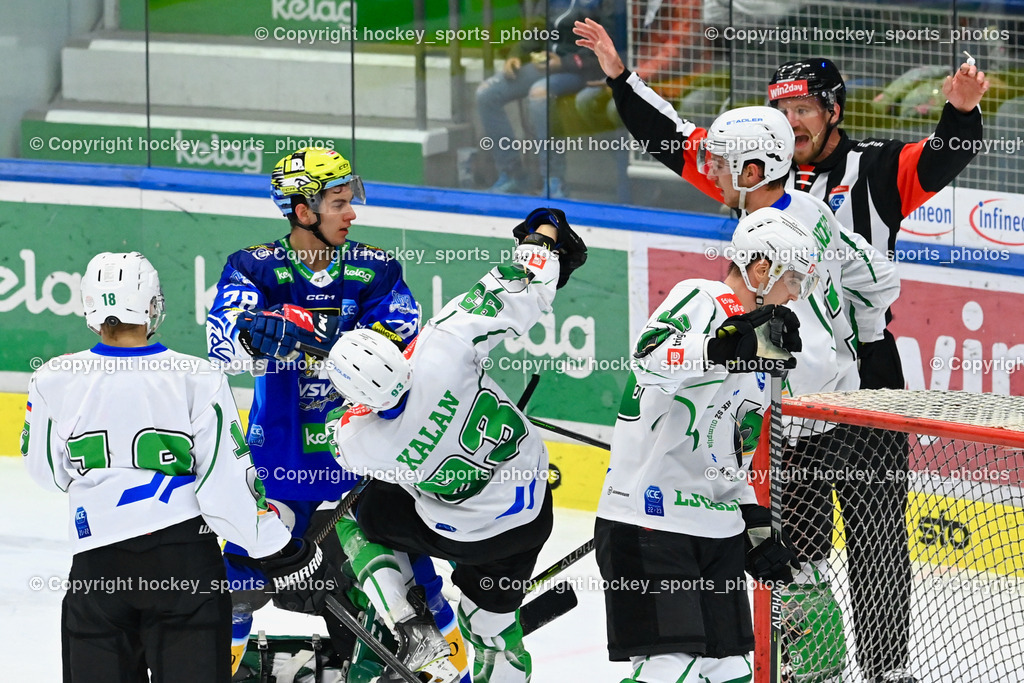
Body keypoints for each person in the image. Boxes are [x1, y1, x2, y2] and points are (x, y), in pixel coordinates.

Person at [573, 22, 987, 679]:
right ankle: (803, 665)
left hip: (855, 400)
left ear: (832, 112)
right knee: (792, 550)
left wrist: (871, 339)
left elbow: (888, 257)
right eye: (782, 110)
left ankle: (885, 668)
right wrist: (621, 78)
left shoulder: (866, 173)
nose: (792, 120)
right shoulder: (747, 182)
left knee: (877, 540)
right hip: (783, 413)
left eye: (803, 108)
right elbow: (675, 140)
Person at [22, 251, 336, 683]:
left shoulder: (54, 377)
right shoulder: (197, 377)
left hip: (97, 572)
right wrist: (280, 547)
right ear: (152, 306)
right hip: (186, 569)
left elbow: (46, 473)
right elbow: (226, 492)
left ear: (91, 309)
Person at [325, 208, 588, 682]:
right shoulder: (442, 344)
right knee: (490, 626)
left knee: (349, 517)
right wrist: (545, 243)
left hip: (460, 535)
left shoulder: (360, 441)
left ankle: (411, 626)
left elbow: (340, 436)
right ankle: (495, 642)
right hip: (530, 514)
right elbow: (517, 283)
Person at [205, 146, 424, 671]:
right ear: (303, 211)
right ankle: (212, 668)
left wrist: (307, 332)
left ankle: (422, 663)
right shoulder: (251, 268)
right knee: (235, 588)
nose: (352, 213)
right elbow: (223, 347)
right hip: (277, 466)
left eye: (351, 201)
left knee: (404, 594)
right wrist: (255, 339)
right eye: (338, 203)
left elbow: (403, 341)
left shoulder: (376, 269)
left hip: (363, 468)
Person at [596, 206, 817, 683]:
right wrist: (717, 347)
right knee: (671, 668)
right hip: (649, 519)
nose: (797, 293)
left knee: (731, 670)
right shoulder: (703, 297)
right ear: (763, 269)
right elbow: (648, 359)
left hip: (713, 529)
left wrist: (753, 524)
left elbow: (726, 458)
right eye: (794, 279)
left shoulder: (762, 359)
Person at [476, 0, 608, 197]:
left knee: (539, 94)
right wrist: (517, 54)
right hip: (547, 64)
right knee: (486, 93)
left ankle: (555, 181)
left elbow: (609, 44)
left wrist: (564, 62)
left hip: (584, 70)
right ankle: (513, 175)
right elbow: (538, 27)